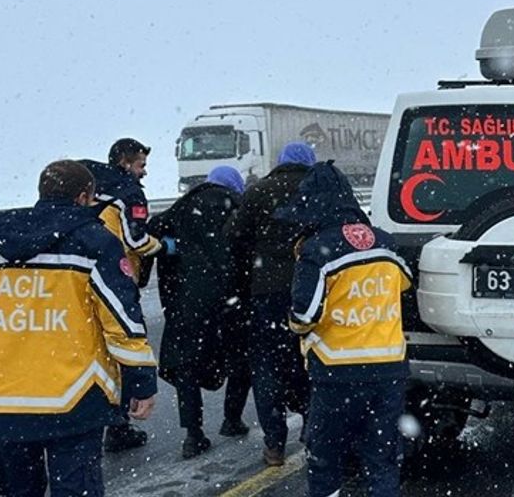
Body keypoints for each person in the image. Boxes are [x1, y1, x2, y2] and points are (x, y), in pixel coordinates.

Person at [0, 160, 157, 497]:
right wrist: (140, 381)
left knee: (17, 490)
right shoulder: (94, 242)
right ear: (85, 196)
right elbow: (121, 321)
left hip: (5, 398)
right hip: (74, 396)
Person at [278, 161, 413, 497]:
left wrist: (296, 324)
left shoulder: (317, 250)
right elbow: (406, 283)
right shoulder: (386, 243)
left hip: (338, 373)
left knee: (325, 457)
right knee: (381, 459)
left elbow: (304, 316)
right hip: (389, 371)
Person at [145, 165, 252, 459]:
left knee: (187, 368)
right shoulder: (236, 206)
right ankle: (232, 419)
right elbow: (247, 250)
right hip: (230, 301)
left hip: (187, 304)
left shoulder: (180, 209)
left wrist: (170, 252)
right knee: (240, 360)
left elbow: (150, 234)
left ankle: (193, 435)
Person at [225, 141, 316, 466]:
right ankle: (312, 432)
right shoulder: (318, 189)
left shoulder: (258, 191)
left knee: (266, 366)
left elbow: (234, 236)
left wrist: (252, 270)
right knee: (312, 361)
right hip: (312, 289)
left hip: (266, 293)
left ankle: (274, 444)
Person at [81, 137, 171, 452]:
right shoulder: (129, 193)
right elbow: (136, 240)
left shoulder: (90, 189)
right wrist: (164, 247)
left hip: (79, 274)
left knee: (90, 349)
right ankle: (119, 425)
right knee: (124, 346)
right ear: (125, 163)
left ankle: (89, 418)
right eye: (140, 165)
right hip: (116, 276)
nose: (144, 172)